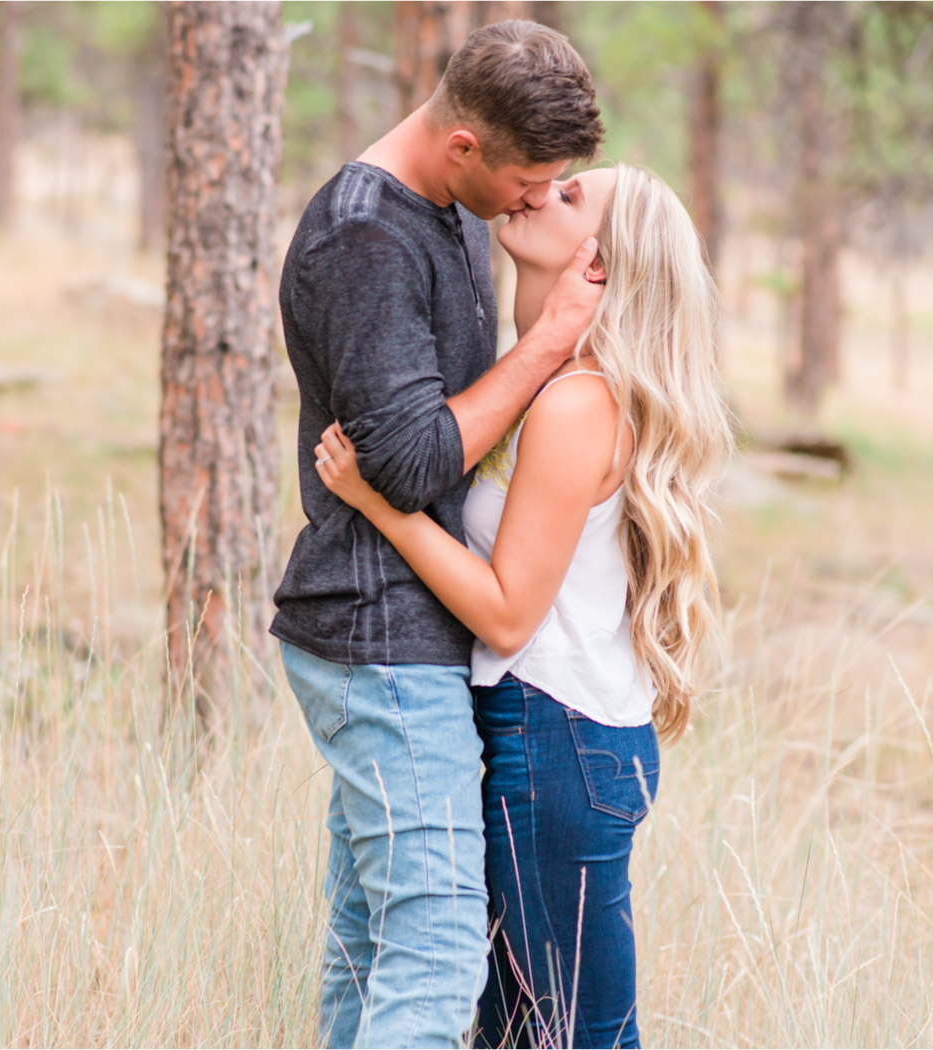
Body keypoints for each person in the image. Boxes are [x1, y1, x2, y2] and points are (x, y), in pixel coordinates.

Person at [315, 162, 733, 1048]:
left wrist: (377, 502)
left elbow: (507, 615)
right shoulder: (547, 382)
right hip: (552, 737)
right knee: (516, 1034)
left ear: (601, 265)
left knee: (576, 1037)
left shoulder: (578, 406)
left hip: (557, 739)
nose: (541, 191)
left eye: (572, 196)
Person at [271, 21, 607, 1050]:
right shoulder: (364, 239)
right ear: (464, 145)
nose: (537, 202)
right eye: (530, 181)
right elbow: (411, 464)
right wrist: (549, 343)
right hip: (379, 642)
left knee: (373, 947)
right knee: (437, 948)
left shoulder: (456, 211)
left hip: (409, 638)